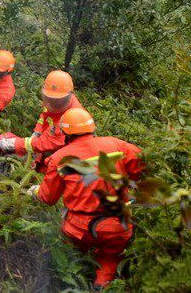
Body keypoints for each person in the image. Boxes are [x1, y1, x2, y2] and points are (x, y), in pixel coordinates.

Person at [30, 107, 145, 288]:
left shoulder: (59, 158)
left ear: (66, 134)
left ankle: (71, 281)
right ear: (92, 128)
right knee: (109, 258)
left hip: (79, 228)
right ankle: (102, 284)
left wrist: (35, 191)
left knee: (71, 255)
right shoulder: (117, 145)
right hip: (116, 224)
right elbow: (143, 166)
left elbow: (48, 198)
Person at [0, 70, 80, 169]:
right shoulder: (54, 98)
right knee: (6, 138)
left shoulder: (71, 119)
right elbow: (44, 116)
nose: (50, 105)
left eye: (55, 102)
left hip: (61, 161)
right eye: (49, 100)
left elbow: (45, 143)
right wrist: (37, 132)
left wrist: (16, 144)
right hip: (45, 144)